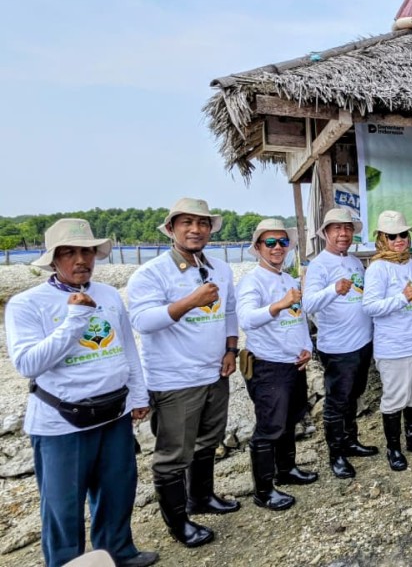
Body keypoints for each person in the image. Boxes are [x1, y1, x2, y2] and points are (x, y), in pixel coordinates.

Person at [5, 219, 158, 567]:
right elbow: (28, 363)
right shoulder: (26, 303)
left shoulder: (108, 294)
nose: (80, 260)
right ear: (52, 259)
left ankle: (118, 552)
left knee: (118, 489)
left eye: (86, 251)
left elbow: (126, 348)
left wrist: (138, 396)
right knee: (63, 504)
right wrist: (75, 319)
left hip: (114, 412)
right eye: (68, 253)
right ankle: (66, 563)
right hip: (61, 421)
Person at [127, 198, 240, 548]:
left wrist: (231, 349)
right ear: (171, 229)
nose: (196, 229)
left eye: (202, 223)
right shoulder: (151, 273)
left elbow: (229, 312)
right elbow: (142, 321)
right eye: (187, 223)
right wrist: (190, 301)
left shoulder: (220, 268)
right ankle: (178, 524)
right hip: (175, 380)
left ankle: (201, 498)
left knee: (208, 441)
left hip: (215, 373)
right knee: (172, 456)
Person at [236, 219, 318, 511]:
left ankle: (287, 469)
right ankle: (263, 490)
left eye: (282, 242)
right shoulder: (252, 281)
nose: (277, 247)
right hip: (267, 366)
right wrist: (278, 304)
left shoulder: (288, 279)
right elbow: (246, 319)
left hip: (293, 363)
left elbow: (298, 319)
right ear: (258, 247)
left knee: (289, 420)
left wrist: (307, 348)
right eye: (270, 242)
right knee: (269, 428)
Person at [302, 208, 378, 480]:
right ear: (325, 233)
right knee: (337, 401)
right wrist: (333, 289)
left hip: (363, 341)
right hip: (337, 346)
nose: (343, 234)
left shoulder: (356, 262)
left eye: (347, 228)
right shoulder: (318, 265)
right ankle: (336, 454)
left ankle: (350, 441)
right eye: (337, 228)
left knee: (354, 395)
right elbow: (308, 304)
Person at [362, 211, 412, 471]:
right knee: (395, 398)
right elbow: (370, 306)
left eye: (403, 234)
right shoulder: (377, 268)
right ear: (382, 239)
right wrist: (402, 298)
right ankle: (393, 448)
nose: (399, 240)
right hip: (394, 346)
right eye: (392, 236)